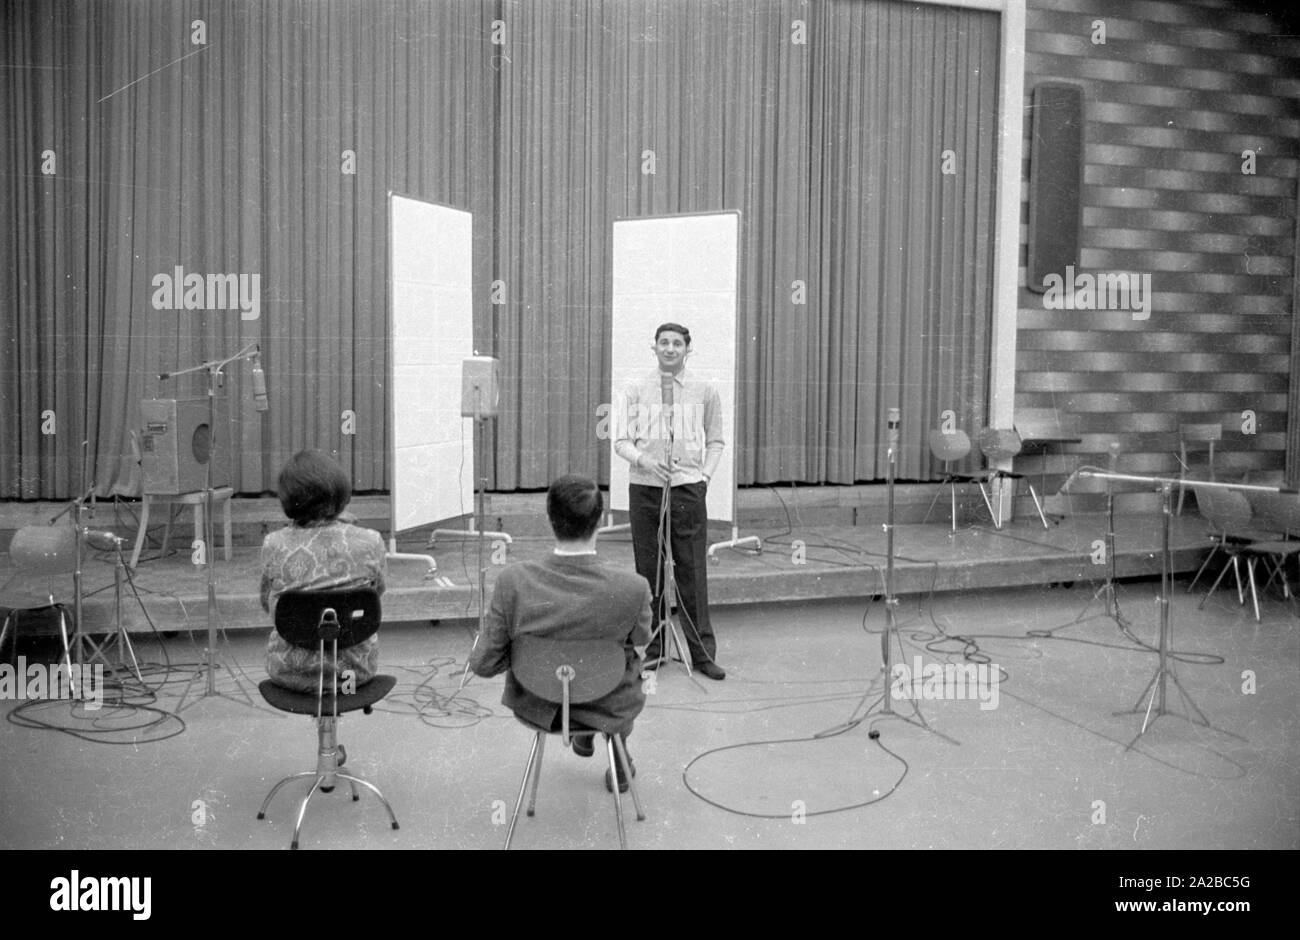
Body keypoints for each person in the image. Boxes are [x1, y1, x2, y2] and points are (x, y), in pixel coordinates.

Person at [470, 474, 651, 793]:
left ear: (550, 519)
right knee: (629, 661)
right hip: (610, 703)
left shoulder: (512, 581)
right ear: (599, 522)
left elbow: (483, 664)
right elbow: (641, 642)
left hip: (541, 703)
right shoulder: (634, 587)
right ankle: (616, 751)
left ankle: (588, 733)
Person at [613, 322, 726, 680]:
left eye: (677, 343)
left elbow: (717, 441)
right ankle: (653, 650)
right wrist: (644, 460)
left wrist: (704, 477)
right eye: (664, 342)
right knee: (649, 572)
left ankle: (702, 654)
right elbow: (621, 441)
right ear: (655, 348)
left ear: (687, 350)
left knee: (692, 570)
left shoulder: (705, 389)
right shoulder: (634, 389)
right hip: (646, 489)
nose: (670, 349)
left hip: (688, 490)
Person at [259, 449, 387, 694]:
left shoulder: (274, 544)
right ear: (340, 493)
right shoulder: (370, 541)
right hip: (353, 674)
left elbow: (269, 605)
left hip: (289, 675)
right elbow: (375, 595)